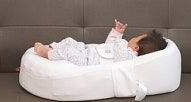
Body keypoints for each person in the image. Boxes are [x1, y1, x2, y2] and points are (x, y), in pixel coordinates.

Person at [33, 20, 167, 67]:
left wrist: (121, 41)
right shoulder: (123, 46)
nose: (133, 37)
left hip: (86, 62)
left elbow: (119, 53)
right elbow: (109, 45)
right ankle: (52, 47)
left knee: (69, 52)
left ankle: (47, 53)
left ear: (136, 47)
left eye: (137, 37)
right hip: (86, 52)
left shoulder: (129, 57)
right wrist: (117, 33)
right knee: (70, 41)